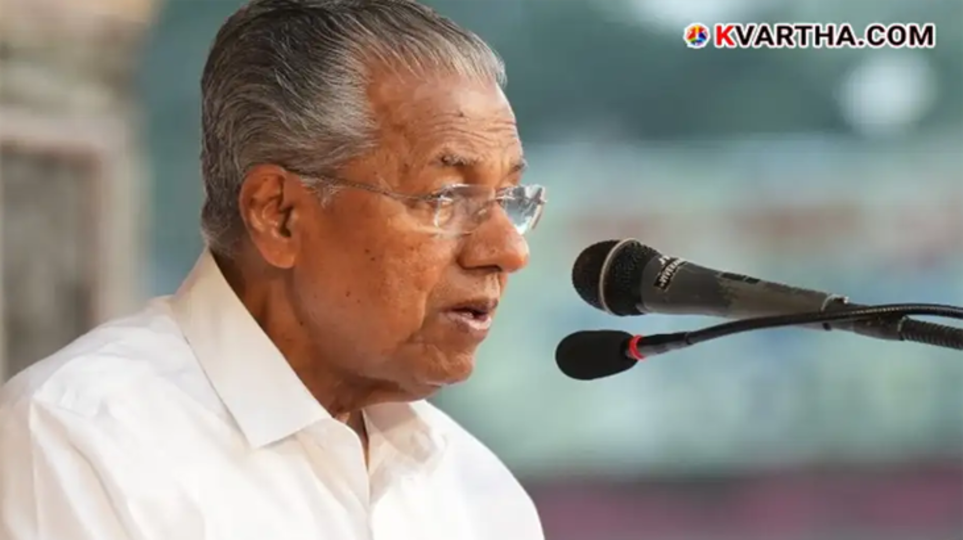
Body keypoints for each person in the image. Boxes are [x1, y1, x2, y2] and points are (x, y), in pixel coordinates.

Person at [0, 1, 547, 538]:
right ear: (278, 214)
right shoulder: (78, 441)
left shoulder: (478, 494)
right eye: (447, 196)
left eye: (509, 199)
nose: (507, 250)